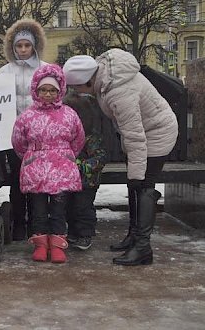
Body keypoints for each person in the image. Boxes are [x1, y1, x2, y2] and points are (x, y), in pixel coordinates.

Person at [63, 49, 178, 266]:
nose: (76, 91)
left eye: (76, 87)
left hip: (156, 134)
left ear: (87, 81)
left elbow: (135, 135)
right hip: (141, 133)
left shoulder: (119, 91)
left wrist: (135, 175)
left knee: (143, 186)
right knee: (135, 185)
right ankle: (134, 236)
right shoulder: (105, 79)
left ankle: (143, 248)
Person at [11, 64, 85, 263]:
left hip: (61, 169)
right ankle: (41, 245)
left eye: (52, 90)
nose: (48, 94)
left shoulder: (69, 114)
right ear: (36, 90)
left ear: (60, 91)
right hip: (37, 170)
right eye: (43, 90)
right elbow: (18, 142)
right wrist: (31, 157)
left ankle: (58, 244)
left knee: (59, 210)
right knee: (38, 210)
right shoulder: (27, 116)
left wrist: (66, 156)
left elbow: (78, 139)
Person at [0, 19, 48, 240]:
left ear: (35, 45)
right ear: (13, 47)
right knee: (18, 182)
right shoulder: (4, 71)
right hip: (15, 138)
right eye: (19, 46)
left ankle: (38, 225)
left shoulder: (46, 69)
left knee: (39, 182)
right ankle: (18, 224)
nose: (24, 50)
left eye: (27, 45)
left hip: (40, 138)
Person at [62, 56, 108, 251]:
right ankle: (73, 232)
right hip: (70, 180)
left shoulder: (92, 137)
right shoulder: (66, 138)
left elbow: (99, 158)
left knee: (83, 208)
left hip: (87, 180)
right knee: (69, 208)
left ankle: (85, 233)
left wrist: (80, 167)